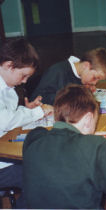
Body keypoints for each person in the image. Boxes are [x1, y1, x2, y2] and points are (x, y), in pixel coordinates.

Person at [23, 84, 106, 209]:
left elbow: (63, 148)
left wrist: (88, 140)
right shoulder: (96, 147)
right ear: (88, 120)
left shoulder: (34, 138)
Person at [0, 38, 53, 207]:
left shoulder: (6, 86)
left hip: (4, 148)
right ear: (9, 65)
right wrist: (37, 112)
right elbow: (5, 120)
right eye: (24, 75)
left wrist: (30, 111)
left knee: (42, 162)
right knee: (40, 177)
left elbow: (9, 113)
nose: (24, 81)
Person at [30, 47, 106, 105]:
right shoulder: (58, 71)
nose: (94, 83)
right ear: (86, 65)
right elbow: (35, 99)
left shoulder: (81, 76)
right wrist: (74, 96)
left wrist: (85, 90)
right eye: (95, 77)